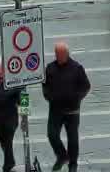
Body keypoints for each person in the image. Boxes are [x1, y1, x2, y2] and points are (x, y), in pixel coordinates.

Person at [41, 41, 90, 172]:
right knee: (52, 135)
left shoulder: (77, 68)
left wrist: (77, 98)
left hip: (72, 110)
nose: (58, 56)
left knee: (72, 139)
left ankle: (73, 164)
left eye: (61, 54)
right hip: (55, 110)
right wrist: (48, 96)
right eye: (57, 53)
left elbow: (86, 86)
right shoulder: (50, 68)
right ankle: (62, 155)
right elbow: (45, 85)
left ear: (67, 54)